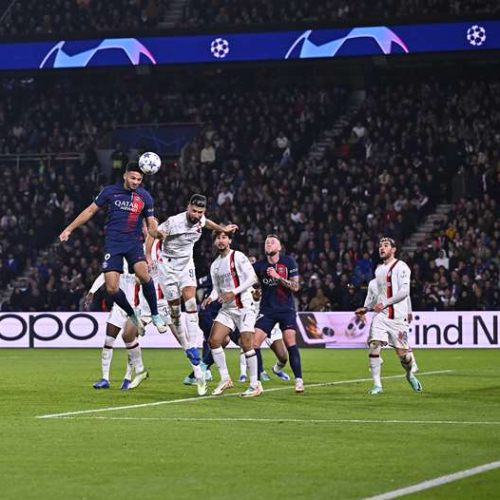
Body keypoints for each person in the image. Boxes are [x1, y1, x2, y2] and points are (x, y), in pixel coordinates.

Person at [59, 162, 167, 336]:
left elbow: (151, 227)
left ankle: (155, 315)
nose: (135, 182)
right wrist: (69, 229)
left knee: (144, 275)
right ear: (125, 176)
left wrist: (158, 234)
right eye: (133, 178)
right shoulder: (110, 191)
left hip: (133, 243)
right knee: (111, 288)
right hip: (113, 244)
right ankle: (132, 315)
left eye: (139, 179)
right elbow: (90, 211)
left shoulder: (145, 197)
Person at [147, 194, 238, 386]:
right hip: (168, 267)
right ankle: (187, 345)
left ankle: (194, 346)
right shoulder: (174, 222)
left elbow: (208, 223)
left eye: (200, 212)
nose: (197, 215)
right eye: (194, 211)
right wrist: (149, 253)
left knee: (190, 301)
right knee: (174, 311)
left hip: (186, 265)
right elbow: (152, 233)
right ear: (188, 207)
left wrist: (222, 229)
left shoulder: (201, 219)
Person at [355, 238, 423, 395]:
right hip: (382, 316)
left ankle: (409, 374)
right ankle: (377, 385)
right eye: (380, 245)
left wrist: (387, 304)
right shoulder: (378, 271)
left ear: (393, 249)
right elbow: (378, 297)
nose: (381, 248)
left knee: (404, 357)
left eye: (386, 245)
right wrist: (366, 308)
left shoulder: (402, 267)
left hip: (398, 318)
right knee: (374, 345)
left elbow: (405, 292)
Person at [202, 231, 261, 397]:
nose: (221, 241)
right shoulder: (215, 265)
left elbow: (253, 278)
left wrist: (233, 293)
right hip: (228, 309)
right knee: (214, 340)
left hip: (244, 306)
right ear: (215, 242)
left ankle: (254, 384)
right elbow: (216, 289)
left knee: (247, 343)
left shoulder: (238, 256)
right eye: (218, 238)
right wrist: (210, 298)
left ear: (229, 240)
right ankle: (225, 379)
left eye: (224, 237)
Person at [252, 234, 304, 393]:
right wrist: (256, 293)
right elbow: (255, 288)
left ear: (279, 247)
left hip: (286, 309)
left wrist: (277, 276)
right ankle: (257, 383)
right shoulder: (259, 266)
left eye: (272, 242)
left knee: (290, 342)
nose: (269, 244)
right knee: (254, 343)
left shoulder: (288, 262)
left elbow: (295, 287)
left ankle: (299, 380)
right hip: (267, 310)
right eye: (267, 242)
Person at [85, 260, 139, 390]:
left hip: (136, 309)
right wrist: (92, 291)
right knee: (108, 341)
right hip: (119, 307)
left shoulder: (139, 261)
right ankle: (105, 379)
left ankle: (127, 379)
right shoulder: (119, 260)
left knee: (131, 345)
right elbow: (105, 275)